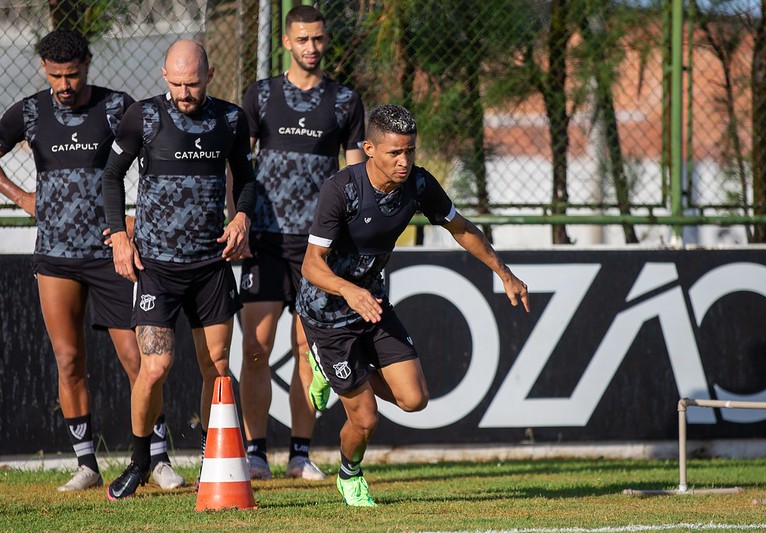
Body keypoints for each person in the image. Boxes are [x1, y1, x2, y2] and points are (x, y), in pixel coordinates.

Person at [297, 104, 530, 506]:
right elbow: (311, 266)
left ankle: (336, 374)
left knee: (414, 400)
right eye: (394, 153)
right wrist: (349, 291)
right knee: (365, 418)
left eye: (410, 151)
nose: (404, 161)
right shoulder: (342, 189)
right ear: (369, 148)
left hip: (373, 304)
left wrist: (504, 272)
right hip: (328, 312)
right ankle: (349, 473)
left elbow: (462, 229)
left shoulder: (418, 185)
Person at [0, 30, 183, 492]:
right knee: (69, 360)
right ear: (44, 68)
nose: (64, 84)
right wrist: (21, 195)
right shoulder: (29, 111)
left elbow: (154, 154)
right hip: (56, 257)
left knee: (136, 356)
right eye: (55, 74)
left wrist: (141, 215)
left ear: (87, 64)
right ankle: (86, 463)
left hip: (113, 254)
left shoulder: (117, 105)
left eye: (73, 73)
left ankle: (156, 458)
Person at [101, 39, 255, 500]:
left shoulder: (230, 119)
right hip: (157, 267)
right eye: (177, 83)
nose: (185, 93)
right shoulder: (143, 117)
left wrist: (243, 216)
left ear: (209, 76)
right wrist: (119, 237)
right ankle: (140, 460)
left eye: (193, 83)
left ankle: (215, 457)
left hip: (211, 265)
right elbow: (111, 175)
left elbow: (245, 177)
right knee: (155, 367)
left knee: (219, 364)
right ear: (164, 77)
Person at [236, 4, 365, 480]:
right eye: (303, 40)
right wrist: (239, 220)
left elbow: (355, 176)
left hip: (318, 247)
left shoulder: (346, 100)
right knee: (255, 348)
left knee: (309, 350)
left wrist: (351, 237)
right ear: (287, 42)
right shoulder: (262, 96)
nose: (312, 48)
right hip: (265, 241)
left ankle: (300, 454)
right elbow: (239, 164)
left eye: (319, 39)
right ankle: (254, 453)